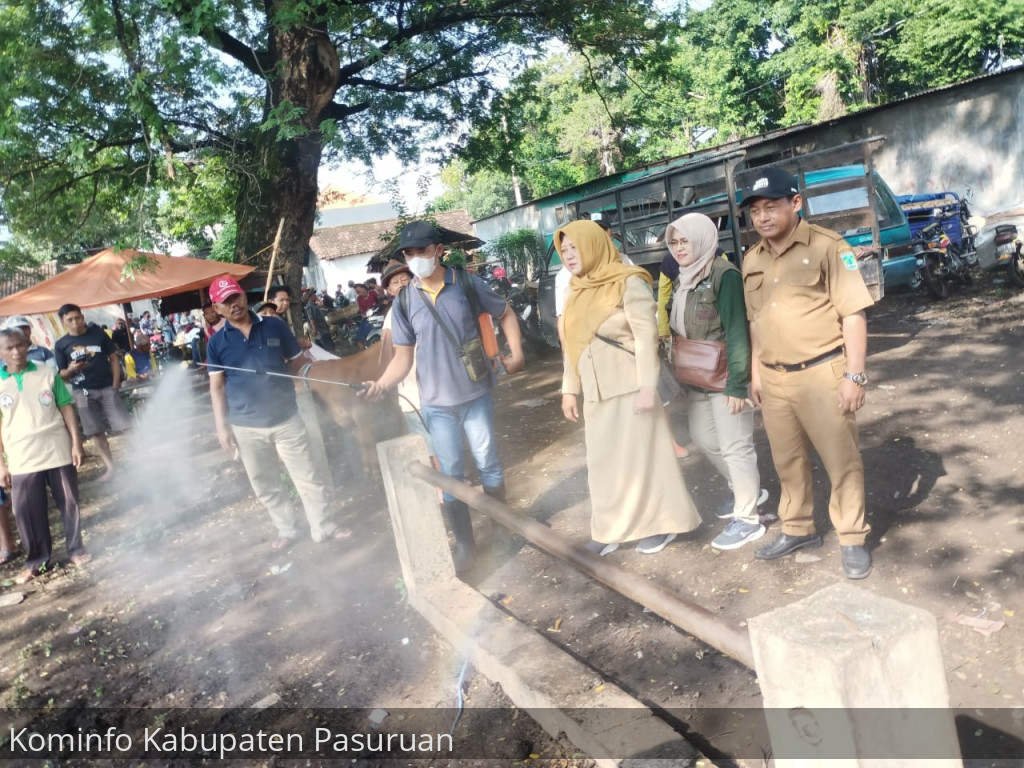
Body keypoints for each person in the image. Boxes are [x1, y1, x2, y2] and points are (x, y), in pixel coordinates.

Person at [360, 221, 525, 572]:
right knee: (449, 473)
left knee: (488, 462)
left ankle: (503, 530)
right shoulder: (405, 301)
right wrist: (382, 385)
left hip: (476, 393)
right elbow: (403, 358)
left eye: (421, 250)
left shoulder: (466, 283)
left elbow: (506, 313)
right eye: (409, 253)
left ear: (438, 250)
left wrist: (518, 353)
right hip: (435, 404)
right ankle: (466, 545)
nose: (416, 258)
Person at [740, 167, 873, 579]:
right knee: (787, 460)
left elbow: (853, 313)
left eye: (771, 206)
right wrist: (757, 372)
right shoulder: (751, 258)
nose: (762, 217)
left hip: (821, 373)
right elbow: (756, 320)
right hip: (774, 378)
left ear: (795, 203)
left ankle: (852, 536)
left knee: (841, 460)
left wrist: (854, 375)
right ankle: (798, 527)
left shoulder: (830, 248)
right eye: (755, 210)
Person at [557, 220, 701, 556]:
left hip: (631, 385)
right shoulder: (573, 289)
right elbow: (572, 345)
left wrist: (648, 388)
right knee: (602, 463)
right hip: (596, 390)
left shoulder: (627, 281)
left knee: (643, 460)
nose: (568, 256)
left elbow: (645, 337)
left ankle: (661, 524)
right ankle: (610, 529)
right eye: (563, 251)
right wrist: (568, 388)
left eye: (574, 247)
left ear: (594, 244)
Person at [206, 275, 351, 550]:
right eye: (226, 301)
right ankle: (287, 529)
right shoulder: (216, 344)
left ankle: (324, 527)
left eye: (235, 297)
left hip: (286, 417)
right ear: (217, 307)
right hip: (245, 425)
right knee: (265, 483)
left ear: (244, 296)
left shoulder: (274, 326)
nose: (233, 304)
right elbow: (217, 389)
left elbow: (297, 362)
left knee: (307, 475)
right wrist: (222, 428)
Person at [665, 213, 769, 551]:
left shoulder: (723, 275)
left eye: (686, 241)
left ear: (702, 239)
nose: (680, 248)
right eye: (675, 242)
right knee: (704, 439)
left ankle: (748, 518)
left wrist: (739, 384)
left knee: (736, 446)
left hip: (726, 377)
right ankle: (746, 492)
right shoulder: (684, 278)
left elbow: (738, 331)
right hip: (697, 378)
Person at [0, 328, 89, 584]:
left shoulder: (47, 373)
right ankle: (37, 562)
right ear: (1, 352)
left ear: (28, 345)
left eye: (20, 345)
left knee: (69, 502)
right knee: (27, 512)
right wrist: (1, 465)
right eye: (9, 348)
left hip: (57, 450)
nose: (16, 351)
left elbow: (66, 408)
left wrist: (76, 443)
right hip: (21, 458)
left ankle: (76, 549)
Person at [54, 303, 132, 482]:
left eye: (77, 318)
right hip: (82, 392)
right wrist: (72, 369)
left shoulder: (98, 335)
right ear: (63, 321)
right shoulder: (61, 345)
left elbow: (113, 358)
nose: (75, 323)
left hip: (106, 388)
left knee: (125, 426)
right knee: (96, 432)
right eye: (70, 320)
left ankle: (139, 461)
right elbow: (62, 375)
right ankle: (111, 468)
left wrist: (115, 385)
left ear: (82, 316)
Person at [376, 259, 433, 454]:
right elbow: (386, 360)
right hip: (413, 393)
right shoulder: (392, 318)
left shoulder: (427, 304)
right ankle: (442, 483)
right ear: (389, 291)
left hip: (439, 387)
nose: (401, 284)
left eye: (404, 279)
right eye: (395, 282)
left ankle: (449, 479)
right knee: (427, 443)